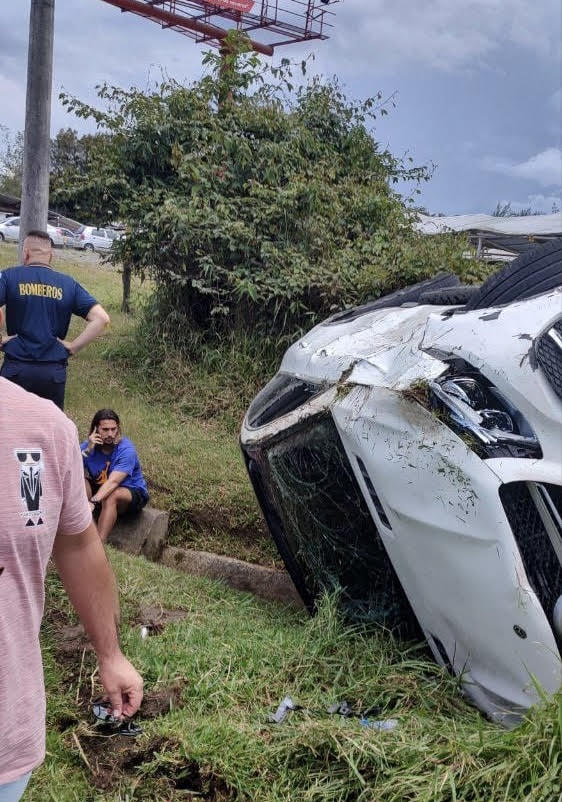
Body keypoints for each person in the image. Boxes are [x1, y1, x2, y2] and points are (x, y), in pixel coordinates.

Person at [0, 307, 143, 802]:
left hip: (6, 737)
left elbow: (79, 545)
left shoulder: (46, 430)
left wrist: (111, 653)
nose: (105, 433)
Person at [0, 230, 110, 410]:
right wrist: (74, 347)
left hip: (16, 369)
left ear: (25, 253)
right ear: (51, 255)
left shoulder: (8, 277)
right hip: (53, 374)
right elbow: (102, 318)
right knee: (50, 431)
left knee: (10, 430)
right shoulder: (68, 284)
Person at [81, 409, 149, 542]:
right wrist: (88, 450)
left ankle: (99, 543)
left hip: (131, 492)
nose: (110, 434)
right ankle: (80, 534)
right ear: (95, 430)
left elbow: (113, 482)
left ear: (118, 429)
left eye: (113, 429)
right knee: (80, 482)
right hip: (101, 490)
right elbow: (68, 468)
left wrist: (93, 501)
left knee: (112, 494)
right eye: (105, 430)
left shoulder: (126, 449)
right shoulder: (88, 446)